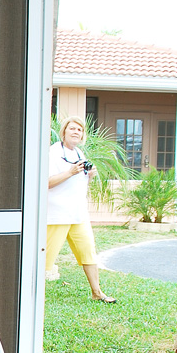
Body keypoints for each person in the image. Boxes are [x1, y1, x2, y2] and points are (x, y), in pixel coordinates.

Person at [45, 117, 116, 303]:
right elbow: (48, 183)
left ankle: (97, 292)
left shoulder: (80, 154)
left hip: (78, 214)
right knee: (45, 260)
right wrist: (70, 172)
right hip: (57, 215)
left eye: (79, 130)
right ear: (64, 132)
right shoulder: (53, 152)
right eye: (72, 129)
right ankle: (30, 296)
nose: (76, 132)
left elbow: (79, 183)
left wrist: (90, 175)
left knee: (88, 252)